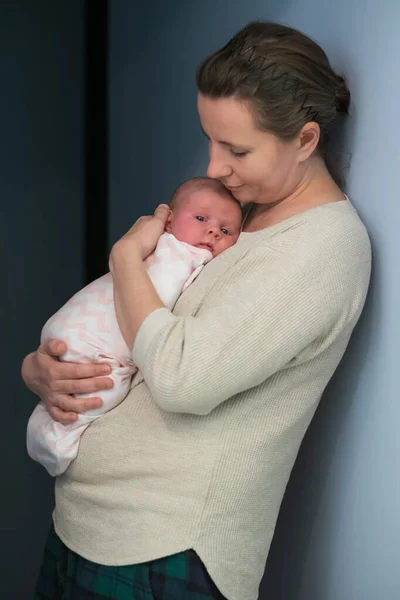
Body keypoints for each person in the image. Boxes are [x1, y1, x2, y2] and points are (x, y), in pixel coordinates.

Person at [22, 21, 371, 600]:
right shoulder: (234, 216)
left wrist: (124, 259)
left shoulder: (322, 246)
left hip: (164, 553)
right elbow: (128, 326)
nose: (214, 167)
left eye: (236, 149)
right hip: (85, 525)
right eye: (210, 139)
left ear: (306, 141)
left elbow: (184, 377)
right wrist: (44, 369)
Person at [26, 176, 243, 477]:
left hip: (71, 330)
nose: (212, 231)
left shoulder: (154, 247)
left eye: (226, 230)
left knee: (67, 399)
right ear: (168, 221)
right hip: (98, 342)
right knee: (100, 392)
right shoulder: (177, 254)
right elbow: (154, 308)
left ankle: (46, 431)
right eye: (201, 218)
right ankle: (55, 444)